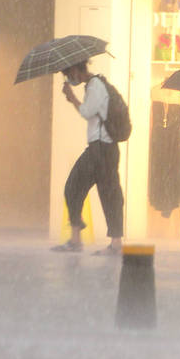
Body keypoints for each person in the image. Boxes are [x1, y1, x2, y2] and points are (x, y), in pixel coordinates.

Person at [52, 61, 124, 255]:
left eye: (68, 73)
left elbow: (86, 112)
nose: (69, 78)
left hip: (102, 148)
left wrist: (71, 97)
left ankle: (110, 242)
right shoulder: (94, 85)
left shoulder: (95, 86)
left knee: (103, 192)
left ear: (76, 69)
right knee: (80, 188)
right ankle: (79, 238)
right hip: (99, 148)